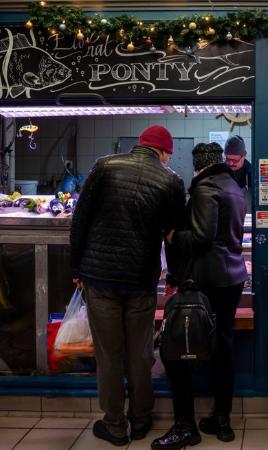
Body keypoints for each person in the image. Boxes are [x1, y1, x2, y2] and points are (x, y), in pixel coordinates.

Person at [70, 125, 186, 447]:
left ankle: (115, 426)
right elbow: (174, 237)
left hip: (100, 278)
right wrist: (174, 277)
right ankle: (140, 419)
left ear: (140, 146)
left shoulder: (104, 166)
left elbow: (80, 220)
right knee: (140, 353)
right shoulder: (171, 180)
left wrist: (75, 266)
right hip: (140, 281)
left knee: (109, 355)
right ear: (164, 152)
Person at [153, 142, 248, 450]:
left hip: (206, 281)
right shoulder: (232, 186)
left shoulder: (206, 188)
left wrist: (172, 235)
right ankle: (221, 420)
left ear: (199, 164)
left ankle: (185, 426)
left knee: (179, 348)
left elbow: (202, 237)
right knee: (222, 347)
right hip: (231, 278)